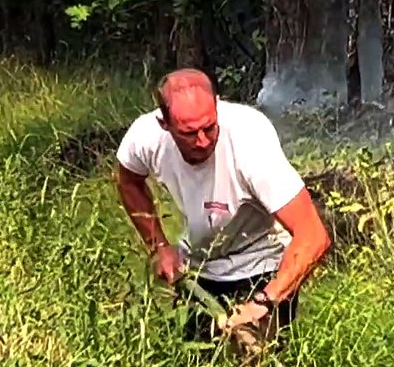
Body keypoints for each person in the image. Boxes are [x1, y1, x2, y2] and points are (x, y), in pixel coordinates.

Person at [114, 68, 332, 345]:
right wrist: (159, 247)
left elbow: (313, 235)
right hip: (199, 266)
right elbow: (128, 182)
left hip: (261, 264)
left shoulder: (249, 141)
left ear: (217, 105)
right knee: (195, 365)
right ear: (165, 124)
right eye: (189, 134)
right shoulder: (145, 137)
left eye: (209, 127)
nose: (203, 141)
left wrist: (265, 302)